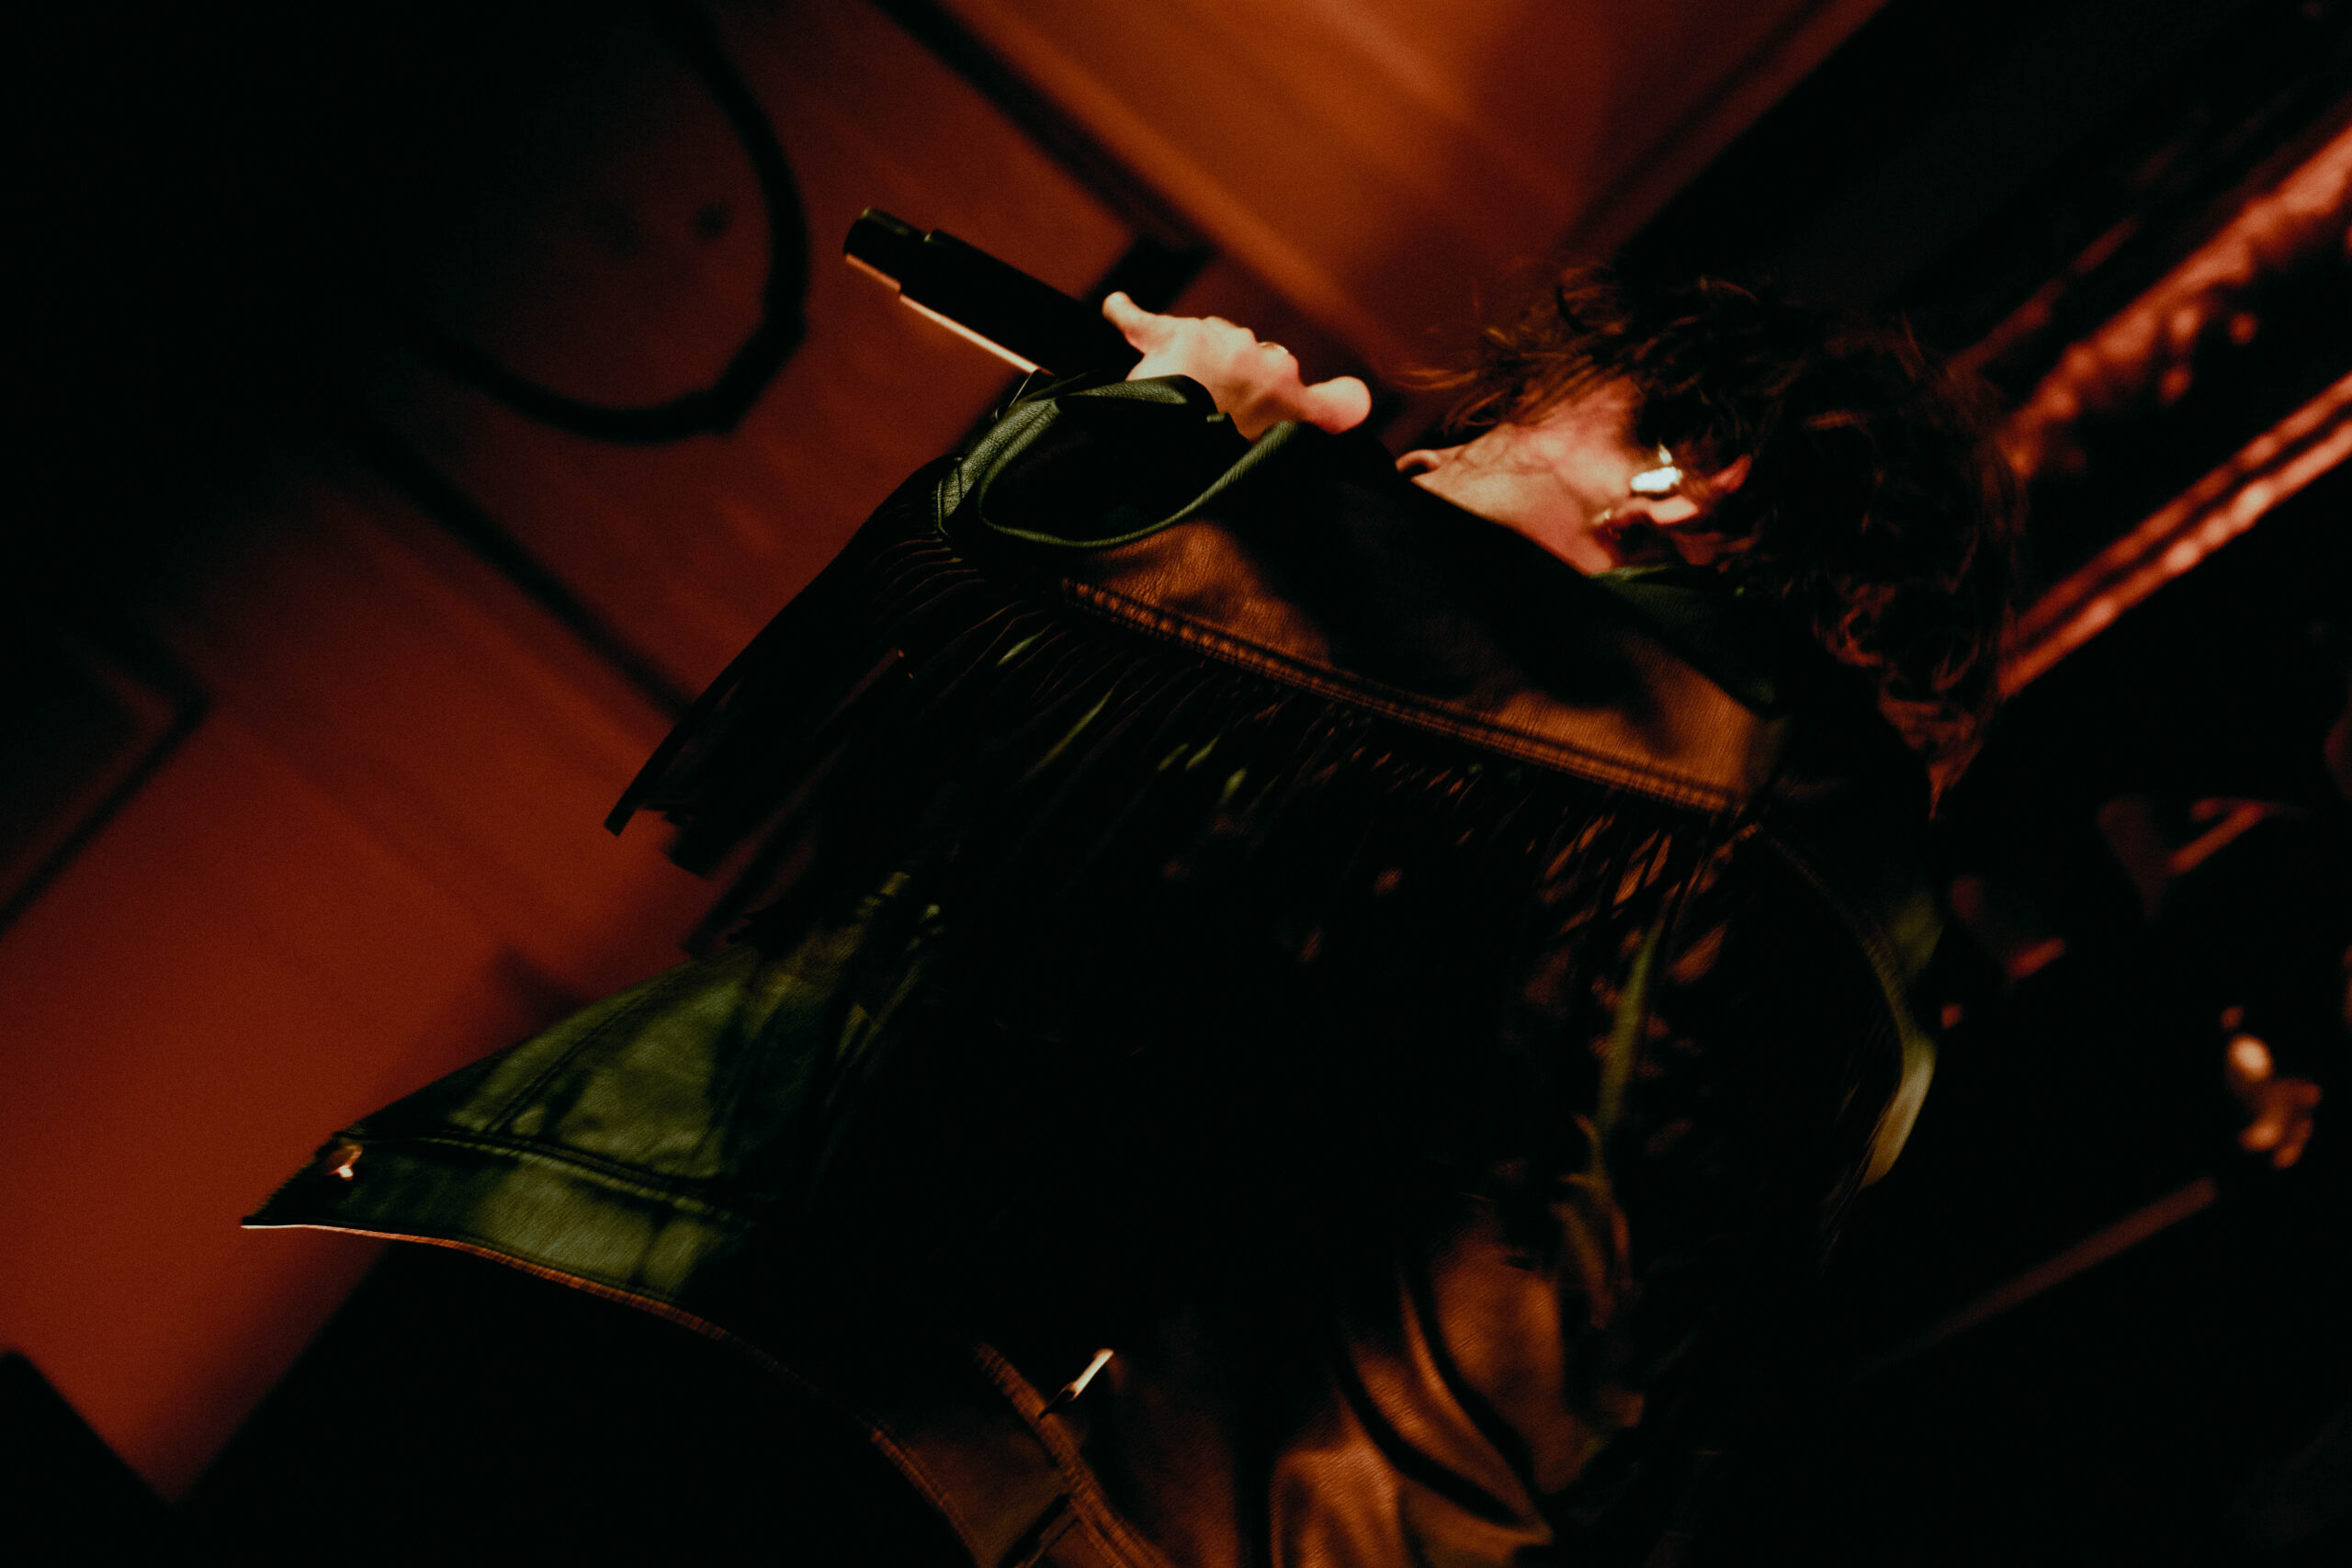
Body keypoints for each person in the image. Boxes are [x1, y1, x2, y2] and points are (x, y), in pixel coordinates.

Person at [245, 263, 2020, 1565]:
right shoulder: (1811, 979)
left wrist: (1168, 443)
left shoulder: (1696, 810)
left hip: (925, 1486)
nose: (1408, 481)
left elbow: (997, 601)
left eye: (1481, 457)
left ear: (1678, 490)